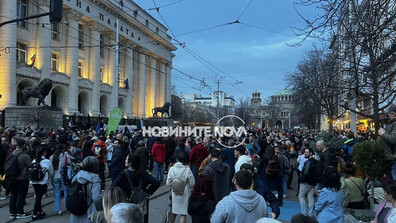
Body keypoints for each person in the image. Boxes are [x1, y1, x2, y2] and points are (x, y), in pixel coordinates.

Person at [112, 153, 160, 223]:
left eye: (126, 159)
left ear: (130, 163)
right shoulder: (143, 173)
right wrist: (147, 192)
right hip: (142, 202)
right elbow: (156, 183)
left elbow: (113, 187)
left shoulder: (123, 174)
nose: (125, 161)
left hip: (128, 203)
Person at [70, 156, 102, 223]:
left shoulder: (76, 177)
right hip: (89, 211)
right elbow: (96, 198)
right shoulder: (95, 179)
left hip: (75, 211)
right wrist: (100, 208)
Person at [167, 152, 195, 223]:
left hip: (175, 192)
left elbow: (168, 182)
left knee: (174, 210)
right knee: (183, 213)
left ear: (177, 159)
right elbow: (192, 183)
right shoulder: (187, 169)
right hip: (184, 193)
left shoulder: (172, 169)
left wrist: (174, 184)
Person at [7, 139, 31, 219]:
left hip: (12, 177)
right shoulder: (25, 156)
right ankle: (20, 212)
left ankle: (12, 212)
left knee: (13, 195)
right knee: (21, 195)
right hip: (22, 177)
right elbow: (30, 165)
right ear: (24, 145)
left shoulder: (12, 154)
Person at [31, 147, 54, 220]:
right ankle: (35, 214)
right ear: (44, 153)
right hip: (43, 181)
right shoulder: (47, 161)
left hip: (34, 181)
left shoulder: (34, 161)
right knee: (39, 197)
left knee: (38, 196)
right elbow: (51, 172)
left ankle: (40, 211)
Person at [50, 144, 71, 215]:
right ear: (62, 149)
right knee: (66, 191)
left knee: (57, 193)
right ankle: (68, 207)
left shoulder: (52, 157)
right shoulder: (65, 156)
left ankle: (58, 209)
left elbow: (51, 168)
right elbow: (69, 163)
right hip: (63, 176)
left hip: (55, 176)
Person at [378, 104, 396, 180]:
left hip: (393, 158)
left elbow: (394, 139)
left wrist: (383, 133)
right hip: (391, 158)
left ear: (393, 114)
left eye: (389, 114)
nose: (388, 116)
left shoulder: (394, 124)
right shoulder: (392, 124)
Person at [298, 148, 316, 217]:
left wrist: (301, 180)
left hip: (306, 181)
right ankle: (310, 213)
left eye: (307, 152)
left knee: (301, 196)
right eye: (305, 152)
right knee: (310, 197)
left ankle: (303, 212)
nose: (305, 153)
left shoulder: (308, 162)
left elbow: (305, 173)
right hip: (312, 182)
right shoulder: (315, 162)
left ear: (311, 153)